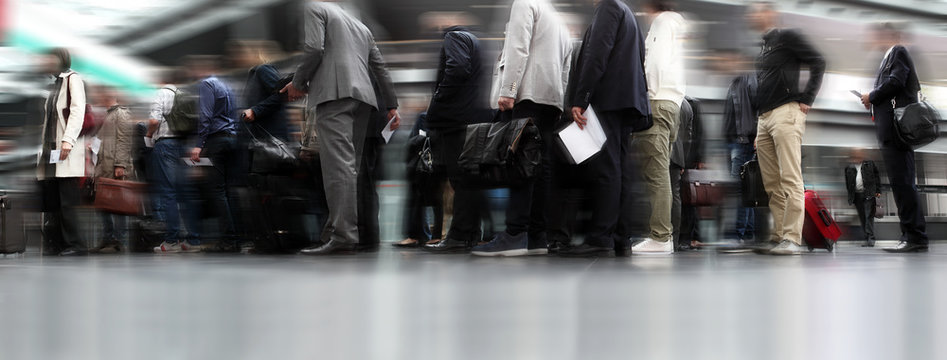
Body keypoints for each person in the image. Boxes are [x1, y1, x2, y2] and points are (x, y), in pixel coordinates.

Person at [281, 0, 400, 255]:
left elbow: (313, 48)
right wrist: (391, 105)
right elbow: (380, 66)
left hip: (334, 94)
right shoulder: (360, 25)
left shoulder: (314, 8)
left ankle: (343, 236)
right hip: (364, 100)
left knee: (337, 169)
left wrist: (298, 82)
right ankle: (335, 232)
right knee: (350, 169)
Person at [471, 0, 571, 257]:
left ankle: (515, 233)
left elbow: (518, 47)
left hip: (528, 95)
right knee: (541, 168)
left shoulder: (525, 3)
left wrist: (508, 90)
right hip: (551, 100)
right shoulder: (557, 16)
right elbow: (566, 66)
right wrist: (560, 102)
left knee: (521, 165)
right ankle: (537, 235)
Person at [558, 0, 650, 257]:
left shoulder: (608, 7)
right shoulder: (627, 12)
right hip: (625, 101)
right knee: (620, 170)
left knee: (607, 170)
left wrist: (580, 98)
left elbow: (596, 53)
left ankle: (600, 237)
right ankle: (621, 237)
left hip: (609, 99)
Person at [747, 2, 825, 255]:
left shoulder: (788, 36)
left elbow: (818, 61)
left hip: (786, 113)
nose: (753, 15)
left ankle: (792, 238)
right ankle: (779, 235)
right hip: (765, 118)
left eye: (757, 9)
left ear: (770, 13)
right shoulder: (765, 46)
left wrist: (807, 99)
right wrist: (759, 124)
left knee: (790, 177)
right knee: (771, 183)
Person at [421, 25, 493, 254]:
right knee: (470, 179)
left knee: (460, 179)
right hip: (474, 118)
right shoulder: (477, 41)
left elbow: (457, 68)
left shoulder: (454, 37)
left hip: (456, 119)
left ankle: (459, 235)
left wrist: (438, 99)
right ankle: (470, 233)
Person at [858, 22, 928, 253]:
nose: (874, 39)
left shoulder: (898, 51)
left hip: (897, 132)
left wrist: (872, 96)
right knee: (900, 184)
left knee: (904, 184)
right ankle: (909, 235)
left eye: (877, 34)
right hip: (890, 132)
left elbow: (897, 82)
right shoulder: (888, 57)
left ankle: (915, 237)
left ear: (889, 35)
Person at [629, 0, 687, 255]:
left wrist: (646, 95)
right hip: (672, 103)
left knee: (656, 172)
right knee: (661, 171)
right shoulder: (677, 24)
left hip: (658, 101)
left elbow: (655, 62)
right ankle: (663, 236)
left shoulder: (663, 22)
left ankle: (661, 237)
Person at [186, 56, 243, 253]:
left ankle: (228, 240)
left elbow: (206, 116)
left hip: (217, 140)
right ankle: (236, 238)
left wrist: (198, 145)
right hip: (231, 139)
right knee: (228, 191)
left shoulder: (206, 85)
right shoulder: (226, 86)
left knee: (217, 192)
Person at [37, 48, 88, 256]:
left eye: (50, 58)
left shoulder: (72, 79)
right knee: (54, 200)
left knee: (67, 201)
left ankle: (76, 245)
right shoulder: (52, 83)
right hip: (50, 150)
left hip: (64, 148)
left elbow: (77, 110)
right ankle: (58, 242)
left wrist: (68, 140)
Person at [148, 72, 202, 254]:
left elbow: (154, 120)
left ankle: (172, 240)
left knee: (169, 194)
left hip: (165, 145)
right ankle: (193, 240)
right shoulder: (183, 95)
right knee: (186, 194)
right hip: (183, 145)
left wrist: (148, 135)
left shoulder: (161, 93)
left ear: (161, 80)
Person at [720, 50, 760, 245]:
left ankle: (738, 234)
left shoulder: (747, 80)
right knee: (747, 190)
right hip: (735, 142)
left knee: (741, 190)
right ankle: (748, 233)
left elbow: (759, 107)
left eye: (728, 59)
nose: (725, 64)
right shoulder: (735, 83)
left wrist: (757, 136)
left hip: (743, 141)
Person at [91, 87, 133, 254]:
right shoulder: (107, 115)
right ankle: (108, 238)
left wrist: (121, 165)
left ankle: (119, 240)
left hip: (114, 167)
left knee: (118, 205)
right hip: (103, 167)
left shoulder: (122, 114)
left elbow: (124, 140)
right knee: (104, 205)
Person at [396, 111, 444, 248]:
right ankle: (431, 235)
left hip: (425, 163)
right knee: (434, 197)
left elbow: (415, 142)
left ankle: (423, 235)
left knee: (422, 195)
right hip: (433, 161)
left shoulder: (425, 118)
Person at [670, 97, 703, 252]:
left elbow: (697, 134)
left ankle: (687, 236)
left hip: (686, 157)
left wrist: (698, 158)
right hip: (684, 156)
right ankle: (687, 236)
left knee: (688, 198)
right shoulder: (689, 103)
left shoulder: (691, 103)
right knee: (686, 197)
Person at [844, 149, 881, 247]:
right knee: (863, 217)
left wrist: (878, 193)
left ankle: (871, 239)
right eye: (855, 155)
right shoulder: (849, 167)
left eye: (859, 154)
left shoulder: (869, 164)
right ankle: (867, 238)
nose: (857, 157)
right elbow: (848, 183)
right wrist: (850, 196)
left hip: (868, 194)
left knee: (869, 216)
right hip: (857, 195)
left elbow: (877, 178)